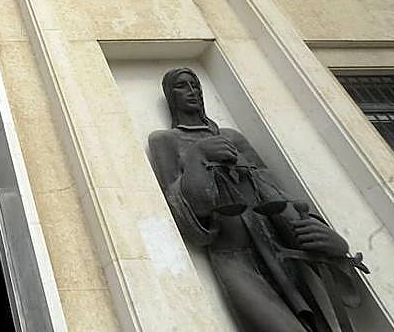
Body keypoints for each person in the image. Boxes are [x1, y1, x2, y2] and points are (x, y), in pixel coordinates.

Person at [148, 67, 368, 332]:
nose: (192, 91)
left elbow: (272, 188)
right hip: (233, 257)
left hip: (277, 246)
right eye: (182, 86)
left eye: (195, 85)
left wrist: (327, 236)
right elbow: (185, 211)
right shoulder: (165, 140)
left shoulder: (231, 137)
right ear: (171, 96)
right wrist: (197, 156)